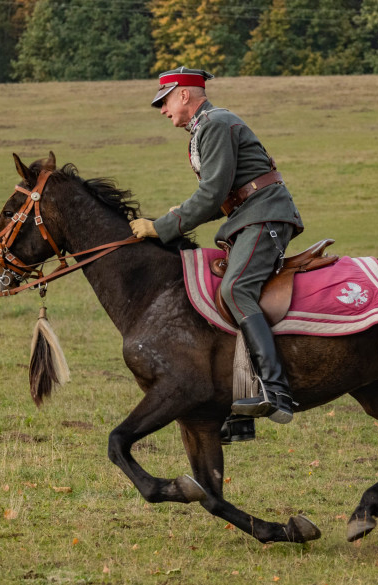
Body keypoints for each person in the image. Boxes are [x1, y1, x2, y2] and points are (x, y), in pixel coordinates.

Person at [130, 67, 304, 441]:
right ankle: (239, 408)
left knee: (236, 290)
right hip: (248, 219)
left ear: (184, 95)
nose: (162, 110)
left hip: (264, 216)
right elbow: (217, 197)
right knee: (219, 295)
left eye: (164, 101)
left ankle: (276, 391)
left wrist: (160, 227)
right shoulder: (205, 128)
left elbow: (212, 194)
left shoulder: (215, 123)